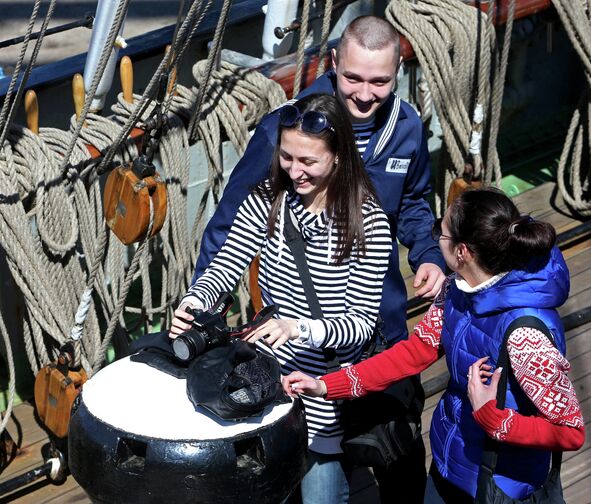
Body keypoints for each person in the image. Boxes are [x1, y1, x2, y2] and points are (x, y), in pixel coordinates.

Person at [194, 15, 443, 501]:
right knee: (319, 466)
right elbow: (230, 229)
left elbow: (414, 200)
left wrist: (428, 252)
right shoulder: (284, 135)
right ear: (333, 63)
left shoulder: (407, 127)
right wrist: (205, 310)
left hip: (380, 328)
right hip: (302, 356)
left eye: (380, 81)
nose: (366, 94)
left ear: (397, 71)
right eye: (352, 78)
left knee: (399, 460)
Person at [282, 188, 586, 502]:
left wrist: (493, 419)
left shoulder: (526, 337)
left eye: (441, 230)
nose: (436, 236)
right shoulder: (456, 290)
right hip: (449, 464)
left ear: (462, 252)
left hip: (499, 486)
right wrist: (324, 386)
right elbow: (412, 354)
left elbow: (571, 431)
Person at [170, 93, 392, 504]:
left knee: (322, 494)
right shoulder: (267, 200)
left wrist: (297, 328)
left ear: (339, 156)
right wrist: (195, 303)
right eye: (288, 157)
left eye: (309, 161)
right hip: (267, 389)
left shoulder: (367, 223)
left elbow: (361, 325)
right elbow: (226, 266)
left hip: (325, 396)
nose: (295, 171)